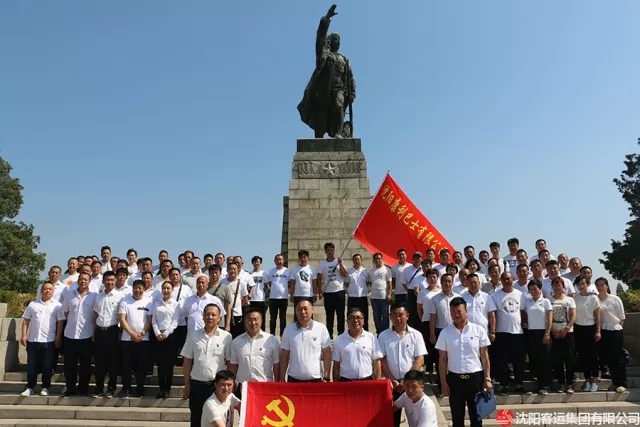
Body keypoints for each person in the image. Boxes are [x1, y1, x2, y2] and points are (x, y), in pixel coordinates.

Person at [436, 297, 492, 427]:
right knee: (457, 418)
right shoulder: (445, 333)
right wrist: (443, 382)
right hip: (455, 380)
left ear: (466, 311)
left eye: (459, 311)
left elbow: (484, 356)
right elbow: (442, 360)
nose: (456, 314)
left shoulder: (478, 330)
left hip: (475, 378)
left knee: (476, 418)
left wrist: (487, 378)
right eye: (453, 311)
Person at [182, 304, 232, 427]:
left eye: (213, 315)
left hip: (217, 386)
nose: (210, 317)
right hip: (197, 385)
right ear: (203, 316)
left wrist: (229, 386)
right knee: (196, 418)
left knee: (217, 419)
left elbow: (230, 362)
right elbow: (187, 361)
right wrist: (187, 384)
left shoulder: (226, 337)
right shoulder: (193, 335)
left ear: (219, 318)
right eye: (207, 314)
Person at [379, 303, 427, 427]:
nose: (398, 318)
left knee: (416, 419)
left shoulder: (416, 335)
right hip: (392, 385)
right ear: (390, 316)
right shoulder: (383, 336)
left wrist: (405, 381)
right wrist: (393, 381)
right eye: (394, 315)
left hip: (412, 385)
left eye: (401, 315)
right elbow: (381, 360)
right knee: (392, 419)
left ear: (407, 316)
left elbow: (420, 359)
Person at [20, 282, 64, 397]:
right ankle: (30, 387)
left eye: (50, 289)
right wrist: (24, 335)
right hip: (33, 340)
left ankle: (45, 387)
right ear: (41, 290)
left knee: (47, 365)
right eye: (45, 289)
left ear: (53, 291)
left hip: (49, 341)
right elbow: (26, 320)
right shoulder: (33, 304)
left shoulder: (58, 306)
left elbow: (60, 323)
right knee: (32, 365)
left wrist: (58, 337)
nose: (47, 291)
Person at [228, 307, 280, 397]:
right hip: (243, 387)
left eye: (256, 319)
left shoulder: (271, 340)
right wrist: (231, 384)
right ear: (245, 322)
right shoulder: (236, 342)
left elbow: (276, 364)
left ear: (261, 321)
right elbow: (233, 365)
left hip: (265, 386)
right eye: (249, 320)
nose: (253, 323)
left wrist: (277, 384)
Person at [61, 271, 98, 396]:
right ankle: (70, 388)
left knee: (85, 365)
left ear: (89, 281)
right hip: (70, 334)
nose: (83, 281)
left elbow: (95, 315)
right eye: (81, 279)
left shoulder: (94, 296)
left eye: (85, 279)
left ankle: (83, 389)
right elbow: (66, 312)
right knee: (69, 365)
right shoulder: (69, 295)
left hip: (86, 335)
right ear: (78, 280)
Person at [279, 300, 332, 382]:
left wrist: (326, 376)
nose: (303, 312)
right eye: (299, 309)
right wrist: (282, 377)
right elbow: (284, 354)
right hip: (293, 380)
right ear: (295, 311)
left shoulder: (321, 328)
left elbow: (327, 353)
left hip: (315, 380)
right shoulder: (289, 329)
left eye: (305, 309)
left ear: (312, 310)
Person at [118, 280, 153, 398]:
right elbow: (122, 319)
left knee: (141, 366)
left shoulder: (148, 302)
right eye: (136, 288)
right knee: (126, 366)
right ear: (132, 288)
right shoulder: (125, 301)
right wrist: (132, 333)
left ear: (144, 289)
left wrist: (142, 333)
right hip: (127, 339)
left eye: (140, 288)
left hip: (144, 339)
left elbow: (149, 320)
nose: (138, 290)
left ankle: (140, 390)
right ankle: (126, 389)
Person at [92, 271, 124, 398]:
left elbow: (122, 317)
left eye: (112, 280)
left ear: (115, 281)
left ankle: (111, 388)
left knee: (112, 362)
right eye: (107, 280)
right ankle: (99, 388)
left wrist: (120, 333)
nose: (109, 282)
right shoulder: (98, 297)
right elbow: (95, 315)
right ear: (103, 281)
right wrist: (94, 331)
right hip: (100, 331)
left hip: (113, 331)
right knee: (99, 361)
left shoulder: (120, 296)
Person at [332, 308, 383, 381]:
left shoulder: (371, 338)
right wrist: (335, 383)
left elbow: (377, 361)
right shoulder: (339, 339)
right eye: (352, 318)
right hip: (346, 382)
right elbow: (336, 364)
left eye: (358, 318)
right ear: (347, 321)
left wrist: (378, 381)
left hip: (367, 381)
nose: (355, 321)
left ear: (363, 321)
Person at [595, 277, 628, 393]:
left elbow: (622, 317)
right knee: (608, 359)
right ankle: (614, 382)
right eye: (597, 285)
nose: (600, 287)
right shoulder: (595, 299)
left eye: (602, 285)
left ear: (607, 286)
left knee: (617, 358)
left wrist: (618, 329)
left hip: (614, 330)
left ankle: (622, 383)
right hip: (602, 331)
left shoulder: (615, 299)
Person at [152, 281, 181, 399]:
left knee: (169, 365)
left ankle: (167, 389)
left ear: (172, 290)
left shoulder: (176, 304)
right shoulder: (157, 304)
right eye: (164, 288)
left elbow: (175, 321)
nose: (166, 290)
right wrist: (158, 333)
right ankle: (161, 388)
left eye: (168, 288)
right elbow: (154, 320)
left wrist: (166, 333)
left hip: (170, 336)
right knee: (160, 365)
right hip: (158, 336)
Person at [572, 275, 601, 392]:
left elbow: (597, 317)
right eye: (578, 284)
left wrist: (598, 331)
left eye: (583, 284)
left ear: (587, 284)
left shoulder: (594, 298)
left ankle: (595, 380)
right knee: (583, 357)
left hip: (591, 328)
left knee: (592, 356)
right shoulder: (575, 298)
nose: (581, 286)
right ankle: (587, 380)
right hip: (578, 329)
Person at [523, 279, 553, 394]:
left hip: (543, 332)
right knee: (535, 359)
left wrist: (547, 333)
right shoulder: (528, 302)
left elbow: (549, 318)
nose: (533, 291)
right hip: (531, 333)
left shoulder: (546, 301)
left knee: (545, 359)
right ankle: (539, 384)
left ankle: (546, 385)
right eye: (531, 289)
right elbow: (525, 317)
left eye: (535, 288)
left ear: (540, 289)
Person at [549, 276, 577, 394]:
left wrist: (566, 329)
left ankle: (569, 384)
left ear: (563, 286)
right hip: (554, 333)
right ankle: (561, 383)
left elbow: (573, 316)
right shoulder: (548, 300)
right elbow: (547, 318)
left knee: (569, 359)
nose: (557, 287)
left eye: (559, 284)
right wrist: (552, 330)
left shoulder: (569, 300)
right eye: (554, 284)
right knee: (557, 360)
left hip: (568, 333)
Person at [317, 243, 348, 339]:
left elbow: (345, 274)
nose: (330, 251)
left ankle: (341, 334)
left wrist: (340, 264)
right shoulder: (322, 263)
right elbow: (319, 278)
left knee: (340, 314)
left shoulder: (339, 261)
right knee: (329, 315)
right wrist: (320, 291)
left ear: (334, 250)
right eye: (328, 250)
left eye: (332, 249)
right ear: (325, 251)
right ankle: (329, 335)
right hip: (328, 292)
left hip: (339, 291)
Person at [366, 252, 392, 334]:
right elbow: (369, 282)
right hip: (374, 297)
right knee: (376, 316)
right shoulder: (371, 271)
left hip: (383, 296)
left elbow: (389, 283)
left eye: (379, 258)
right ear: (374, 260)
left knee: (385, 315)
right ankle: (379, 332)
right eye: (376, 259)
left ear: (382, 259)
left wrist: (389, 294)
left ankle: (386, 333)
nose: (378, 260)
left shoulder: (387, 270)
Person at [265, 254, 291, 337]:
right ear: (274, 261)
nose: (279, 261)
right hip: (273, 298)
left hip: (283, 298)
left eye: (280, 259)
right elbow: (270, 283)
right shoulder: (271, 271)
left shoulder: (287, 271)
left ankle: (283, 335)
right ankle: (272, 334)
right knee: (273, 318)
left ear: (283, 260)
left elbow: (290, 283)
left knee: (282, 318)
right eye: (277, 260)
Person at [346, 254, 369, 331]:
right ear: (353, 261)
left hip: (363, 296)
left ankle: (365, 332)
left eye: (358, 259)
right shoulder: (349, 271)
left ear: (361, 260)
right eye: (355, 259)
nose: (357, 261)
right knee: (351, 316)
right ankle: (351, 331)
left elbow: (368, 282)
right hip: (352, 297)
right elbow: (346, 283)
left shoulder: (365, 271)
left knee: (364, 316)